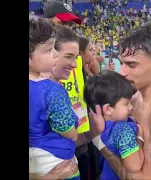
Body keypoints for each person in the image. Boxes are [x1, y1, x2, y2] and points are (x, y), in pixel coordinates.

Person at [89, 22, 151, 180]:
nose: (122, 72)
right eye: (122, 63)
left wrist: (99, 143)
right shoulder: (131, 100)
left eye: (131, 65)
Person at [44, 3, 101, 179]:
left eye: (70, 25)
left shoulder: (73, 63)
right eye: (63, 24)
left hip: (79, 139)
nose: (68, 29)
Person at [29, 15, 80, 180]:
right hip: (55, 159)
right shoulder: (51, 90)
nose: (56, 55)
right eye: (50, 50)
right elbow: (66, 127)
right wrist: (74, 134)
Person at [84, 71, 144, 180]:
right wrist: (140, 138)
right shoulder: (122, 130)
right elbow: (134, 166)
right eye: (126, 103)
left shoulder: (102, 127)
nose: (131, 107)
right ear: (108, 109)